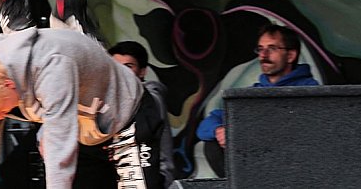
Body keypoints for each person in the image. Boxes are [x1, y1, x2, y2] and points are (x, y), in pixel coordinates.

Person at [0, 27, 156, 189]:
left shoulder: (52, 67)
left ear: (9, 85)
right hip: (84, 128)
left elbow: (59, 152)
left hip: (127, 116)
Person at [196, 23, 320, 177]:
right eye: (260, 49)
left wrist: (242, 132)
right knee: (212, 144)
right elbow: (205, 125)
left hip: (294, 173)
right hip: (255, 172)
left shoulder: (310, 90)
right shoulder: (252, 93)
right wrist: (218, 130)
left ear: (290, 56)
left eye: (272, 48)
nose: (263, 55)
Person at [109, 41, 175, 188]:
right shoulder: (104, 98)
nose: (121, 72)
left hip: (150, 178)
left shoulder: (152, 98)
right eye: (115, 66)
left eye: (128, 66)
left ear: (142, 71)